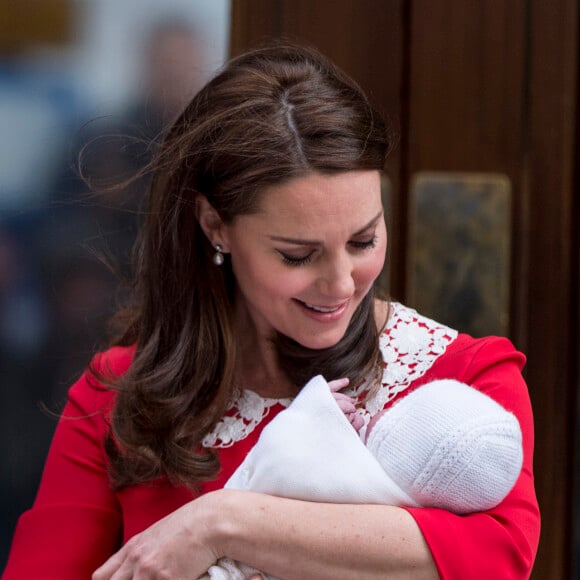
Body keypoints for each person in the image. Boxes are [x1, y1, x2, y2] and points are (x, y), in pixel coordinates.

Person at [3, 43, 540, 579]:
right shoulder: (120, 393)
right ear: (215, 226)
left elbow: (498, 556)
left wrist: (222, 523)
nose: (339, 284)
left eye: (363, 241)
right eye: (297, 255)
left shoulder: (463, 380)